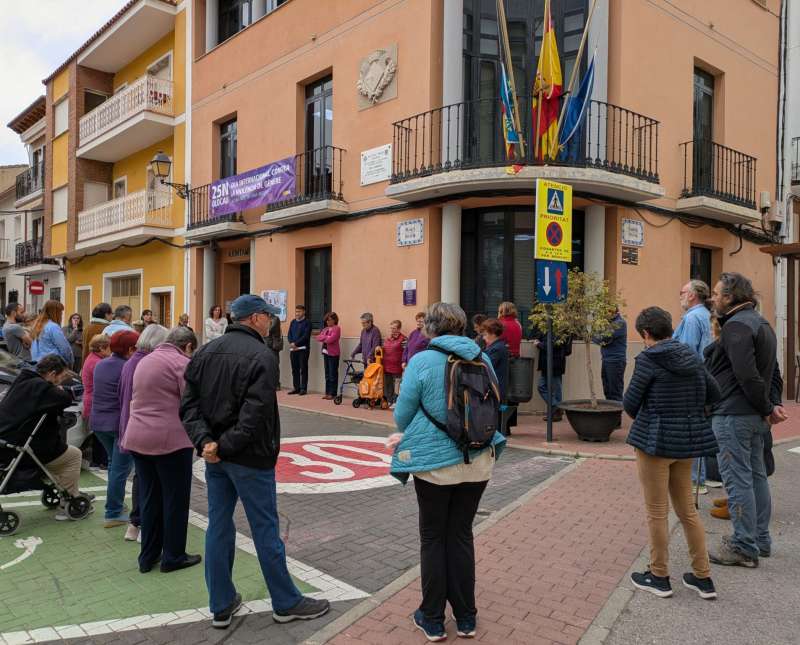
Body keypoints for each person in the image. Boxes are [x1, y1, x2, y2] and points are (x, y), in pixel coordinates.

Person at [181, 294, 329, 629]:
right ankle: (286, 601)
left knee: (219, 525)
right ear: (255, 318)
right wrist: (219, 445)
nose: (271, 321)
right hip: (248, 457)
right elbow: (254, 415)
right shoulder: (261, 356)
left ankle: (221, 603)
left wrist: (207, 443)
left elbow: (188, 405)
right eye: (268, 316)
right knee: (264, 528)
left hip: (216, 455)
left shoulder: (205, 352)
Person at [387, 302, 506, 641]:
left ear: (430, 328)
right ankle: (467, 618)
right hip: (479, 459)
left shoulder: (423, 360)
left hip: (436, 467)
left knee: (433, 538)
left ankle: (433, 618)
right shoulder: (482, 358)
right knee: (461, 535)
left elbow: (403, 416)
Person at [624, 306, 719, 600]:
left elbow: (630, 403)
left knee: (656, 513)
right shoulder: (692, 356)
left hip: (655, 443)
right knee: (688, 511)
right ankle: (703, 577)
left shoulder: (648, 360)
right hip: (688, 442)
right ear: (670, 328)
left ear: (645, 333)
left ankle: (659, 575)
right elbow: (714, 394)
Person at [706, 272, 786, 568]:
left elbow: (748, 375)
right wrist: (771, 405)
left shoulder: (737, 326)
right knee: (755, 476)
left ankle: (744, 545)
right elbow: (773, 374)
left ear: (730, 296)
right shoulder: (761, 323)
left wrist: (768, 406)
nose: (712, 298)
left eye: (716, 293)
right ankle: (760, 540)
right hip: (753, 415)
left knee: (738, 479)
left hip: (734, 415)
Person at [122, 326, 201, 574]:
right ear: (188, 346)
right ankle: (173, 556)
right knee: (175, 500)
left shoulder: (145, 360)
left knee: (149, 498)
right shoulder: (180, 363)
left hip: (138, 437)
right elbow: (190, 402)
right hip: (170, 441)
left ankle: (148, 555)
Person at [0, 355, 90, 521]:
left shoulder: (23, 380)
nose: (61, 381)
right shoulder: (42, 388)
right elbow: (64, 399)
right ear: (53, 373)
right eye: (62, 377)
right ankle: (69, 499)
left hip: (6, 443)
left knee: (61, 455)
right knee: (74, 456)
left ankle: (62, 488)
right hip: (21, 450)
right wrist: (58, 390)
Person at [118, 324, 170, 543]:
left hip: (132, 426)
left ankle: (137, 524)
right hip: (143, 428)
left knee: (142, 478)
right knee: (147, 481)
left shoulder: (131, 362)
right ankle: (141, 524)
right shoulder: (145, 363)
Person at [91, 330, 139, 528]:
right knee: (121, 468)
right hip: (117, 423)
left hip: (99, 422)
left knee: (114, 465)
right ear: (130, 349)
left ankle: (116, 505)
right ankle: (113, 512)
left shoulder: (101, 364)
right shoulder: (127, 367)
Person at [674, 280, 713, 494]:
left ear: (691, 295)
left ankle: (696, 480)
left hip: (692, 381)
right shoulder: (707, 316)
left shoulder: (691, 318)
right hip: (706, 379)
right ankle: (701, 477)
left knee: (692, 431)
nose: (679, 295)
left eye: (682, 292)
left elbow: (685, 354)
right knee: (701, 429)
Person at [81, 334, 112, 470]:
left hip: (90, 400)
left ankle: (98, 460)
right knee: (101, 436)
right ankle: (102, 461)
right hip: (94, 401)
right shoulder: (97, 363)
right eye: (109, 348)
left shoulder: (92, 359)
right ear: (102, 348)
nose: (111, 351)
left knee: (98, 435)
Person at [533, 329, 573, 422]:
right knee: (543, 386)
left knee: (554, 387)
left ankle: (557, 409)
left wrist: (539, 344)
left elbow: (553, 345)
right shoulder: (546, 328)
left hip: (555, 363)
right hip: (548, 363)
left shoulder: (560, 329)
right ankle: (556, 407)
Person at [595, 308, 627, 402]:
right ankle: (611, 413)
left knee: (615, 392)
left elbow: (602, 338)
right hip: (606, 360)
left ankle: (617, 415)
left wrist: (591, 335)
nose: (603, 314)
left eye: (606, 312)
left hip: (615, 361)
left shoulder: (619, 323)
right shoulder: (609, 323)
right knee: (607, 390)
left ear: (613, 312)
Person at [31, 300, 74, 366]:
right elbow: (65, 349)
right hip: (52, 365)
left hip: (38, 363)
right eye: (61, 313)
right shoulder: (53, 327)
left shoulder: (37, 325)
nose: (62, 316)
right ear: (56, 313)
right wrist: (70, 362)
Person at [315, 312, 340, 400]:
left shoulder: (337, 328)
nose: (328, 322)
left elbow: (331, 340)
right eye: (326, 320)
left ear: (334, 320)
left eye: (329, 320)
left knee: (333, 374)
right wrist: (326, 337)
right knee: (327, 374)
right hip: (325, 352)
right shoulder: (325, 329)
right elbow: (318, 337)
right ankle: (327, 392)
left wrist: (324, 337)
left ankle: (333, 393)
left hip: (333, 354)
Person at [481, 318, 509, 401]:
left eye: (485, 334)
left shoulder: (497, 349)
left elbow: (485, 366)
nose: (483, 338)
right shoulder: (497, 346)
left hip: (495, 391)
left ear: (493, 334)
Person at [287, 305, 311, 395]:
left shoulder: (307, 323)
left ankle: (303, 388)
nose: (297, 313)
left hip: (303, 349)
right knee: (294, 369)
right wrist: (291, 342)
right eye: (296, 311)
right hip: (293, 349)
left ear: (304, 312)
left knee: (303, 369)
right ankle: (296, 387)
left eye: (299, 311)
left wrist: (296, 344)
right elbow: (289, 334)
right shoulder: (293, 322)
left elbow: (306, 336)